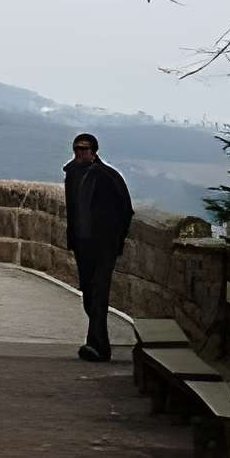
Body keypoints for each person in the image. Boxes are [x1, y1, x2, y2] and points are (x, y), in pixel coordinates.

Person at [63, 132, 134, 362]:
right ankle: (96, 342)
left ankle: (98, 346)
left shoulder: (108, 176)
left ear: (94, 151)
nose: (80, 153)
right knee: (88, 293)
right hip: (83, 243)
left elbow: (126, 209)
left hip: (104, 244)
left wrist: (114, 238)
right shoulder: (72, 174)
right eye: (77, 149)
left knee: (99, 291)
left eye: (85, 149)